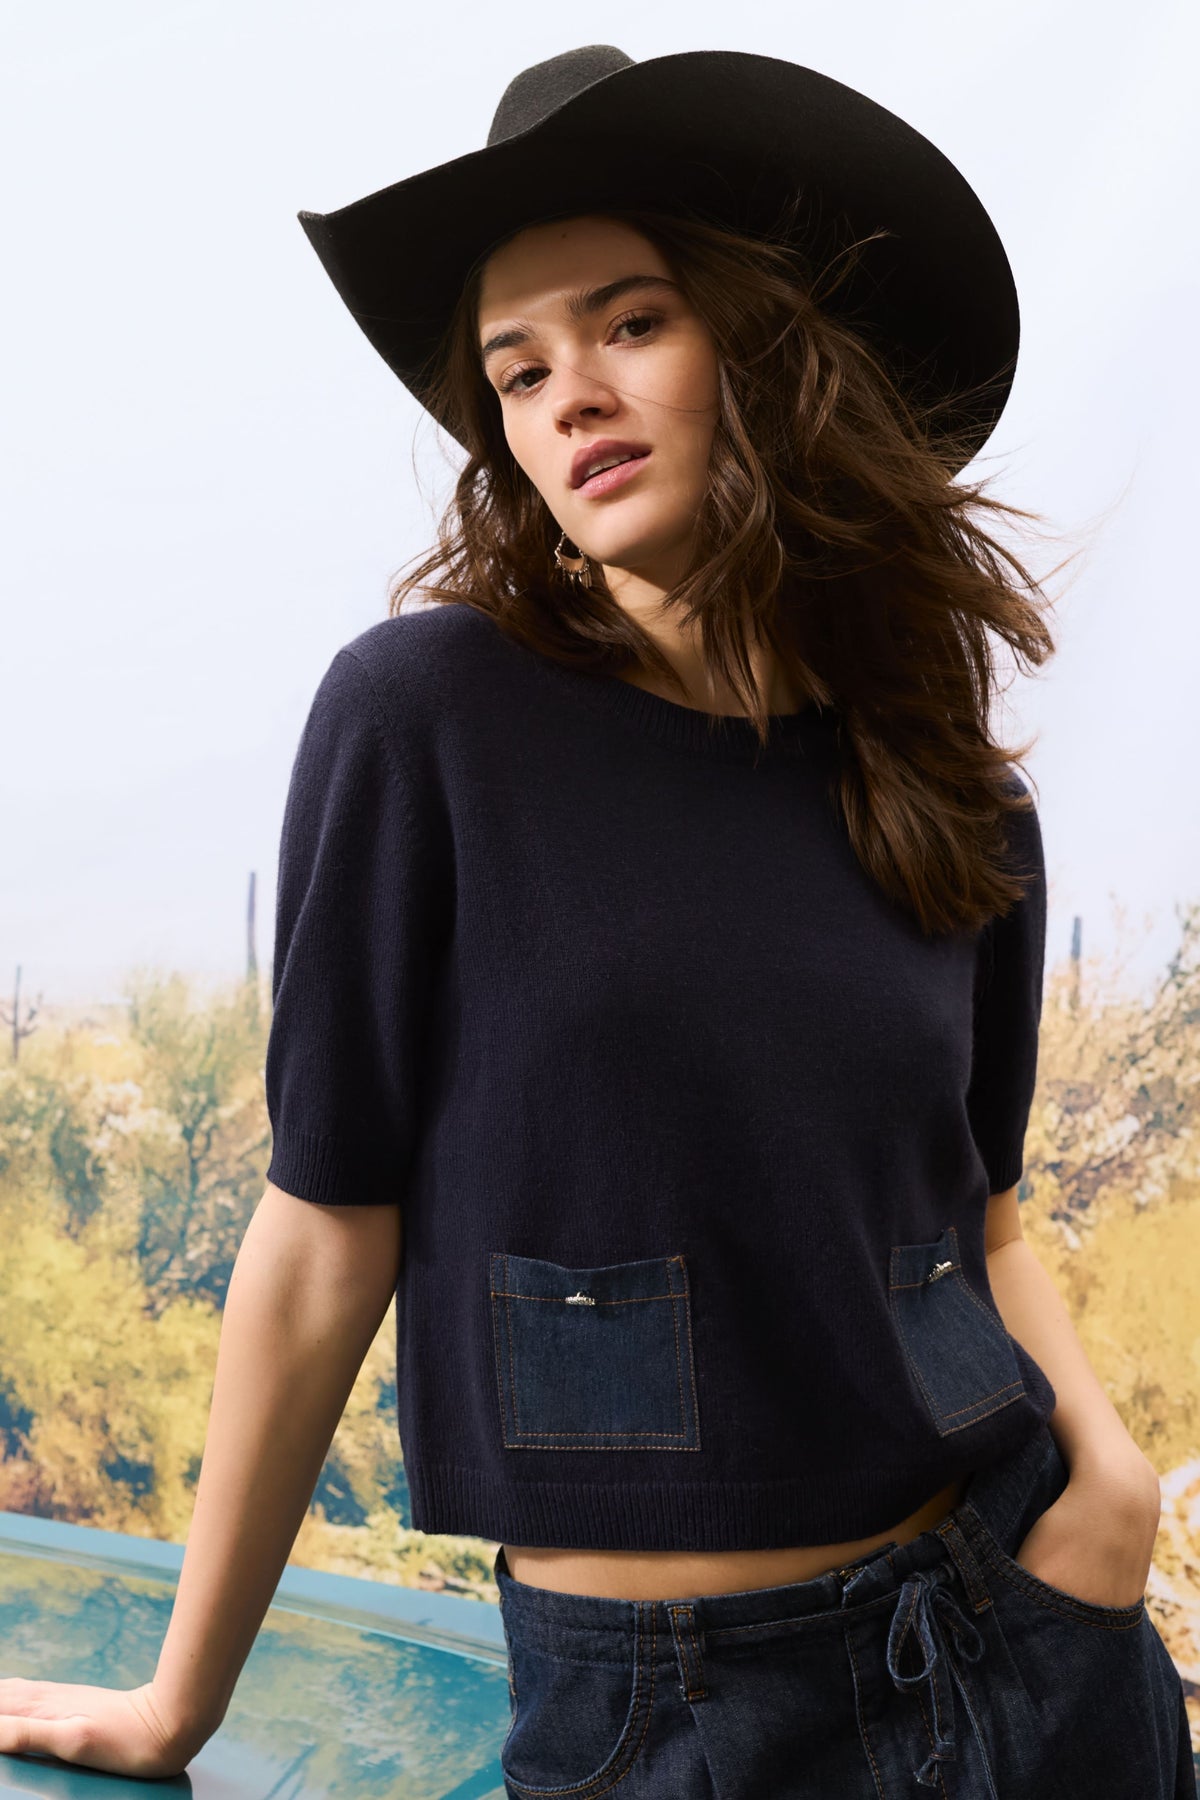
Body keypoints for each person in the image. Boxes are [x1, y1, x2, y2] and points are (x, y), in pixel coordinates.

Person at [0, 43, 1193, 1800]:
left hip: (1027, 1641)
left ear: (762, 351)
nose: (571, 397)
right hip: (670, 1712)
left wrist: (1113, 1481)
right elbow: (322, 1236)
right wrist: (182, 1700)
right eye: (519, 368)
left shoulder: (948, 788)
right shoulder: (428, 721)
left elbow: (984, 1213)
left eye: (632, 323)